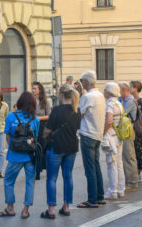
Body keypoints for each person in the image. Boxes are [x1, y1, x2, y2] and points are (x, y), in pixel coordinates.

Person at [0, 92, 40, 219]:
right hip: (30, 156)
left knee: (9, 181)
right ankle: (25, 210)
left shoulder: (10, 116)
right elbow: (35, 138)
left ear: (19, 102)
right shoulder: (35, 119)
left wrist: (15, 147)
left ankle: (10, 208)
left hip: (14, 156)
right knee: (30, 182)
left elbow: (8, 137)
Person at [41, 85, 80, 219]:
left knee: (52, 178)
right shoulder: (76, 110)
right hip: (71, 147)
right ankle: (66, 207)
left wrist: (45, 136)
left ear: (61, 95)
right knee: (68, 176)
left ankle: (51, 209)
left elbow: (47, 130)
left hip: (56, 147)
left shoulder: (56, 110)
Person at [77, 71, 106, 208]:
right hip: (98, 134)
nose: (81, 83)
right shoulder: (100, 95)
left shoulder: (87, 96)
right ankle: (99, 196)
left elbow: (79, 114)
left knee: (89, 168)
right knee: (96, 166)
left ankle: (92, 199)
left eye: (82, 80)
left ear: (87, 81)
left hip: (87, 133)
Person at [101, 83, 125, 199]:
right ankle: (121, 189)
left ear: (109, 92)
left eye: (105, 90)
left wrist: (103, 132)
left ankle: (112, 191)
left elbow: (109, 121)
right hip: (118, 136)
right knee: (119, 164)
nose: (104, 92)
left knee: (111, 164)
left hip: (111, 136)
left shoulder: (110, 103)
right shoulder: (119, 103)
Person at [119, 82, 139, 192]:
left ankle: (132, 182)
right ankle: (129, 181)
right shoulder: (125, 101)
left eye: (119, 90)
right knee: (126, 156)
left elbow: (122, 114)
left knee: (129, 156)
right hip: (126, 130)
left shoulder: (130, 101)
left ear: (123, 90)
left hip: (128, 131)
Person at [130, 80, 142, 182]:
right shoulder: (133, 100)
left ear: (136, 88)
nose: (129, 88)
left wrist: (136, 106)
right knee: (134, 151)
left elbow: (141, 117)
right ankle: (135, 173)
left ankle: (138, 174)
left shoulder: (140, 101)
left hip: (139, 130)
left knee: (139, 150)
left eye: (131, 86)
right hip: (133, 129)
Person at [32, 81, 51, 170]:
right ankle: (35, 165)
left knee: (42, 146)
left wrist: (38, 118)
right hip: (32, 126)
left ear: (40, 90)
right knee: (33, 146)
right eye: (32, 88)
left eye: (35, 88)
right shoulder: (30, 101)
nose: (33, 90)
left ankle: (42, 165)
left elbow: (49, 115)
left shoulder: (45, 102)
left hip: (42, 126)